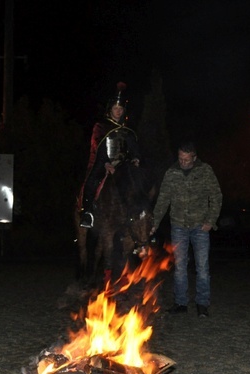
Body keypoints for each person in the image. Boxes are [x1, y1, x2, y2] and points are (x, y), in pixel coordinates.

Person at [151, 141, 222, 317]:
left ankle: (202, 304)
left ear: (194, 158)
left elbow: (216, 196)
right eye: (180, 159)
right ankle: (181, 303)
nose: (183, 162)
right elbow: (163, 200)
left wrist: (210, 220)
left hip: (200, 226)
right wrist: (154, 222)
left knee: (202, 267)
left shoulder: (205, 171)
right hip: (178, 226)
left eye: (187, 160)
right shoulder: (171, 173)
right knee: (180, 267)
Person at [79, 82, 141, 229]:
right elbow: (98, 146)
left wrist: (136, 158)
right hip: (103, 163)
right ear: (110, 109)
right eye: (116, 108)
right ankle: (87, 213)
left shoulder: (127, 130)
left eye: (120, 108)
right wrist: (106, 164)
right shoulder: (101, 126)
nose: (118, 111)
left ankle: (138, 216)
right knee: (92, 181)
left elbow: (133, 147)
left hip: (123, 165)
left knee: (139, 183)